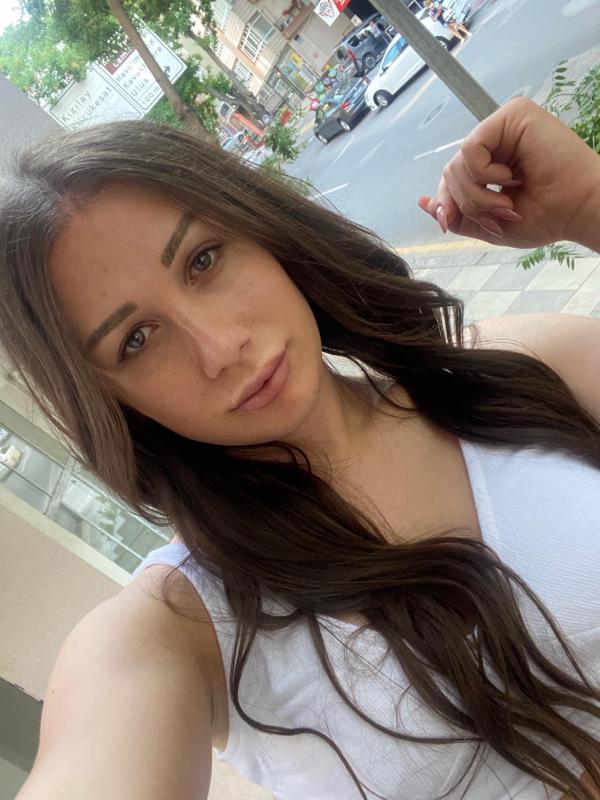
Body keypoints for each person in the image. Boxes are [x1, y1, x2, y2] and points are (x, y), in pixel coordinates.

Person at [4, 97, 600, 800]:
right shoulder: (182, 627)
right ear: (110, 403)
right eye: (136, 340)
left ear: (259, 229)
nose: (221, 348)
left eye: (203, 260)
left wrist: (589, 205)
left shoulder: (518, 367)